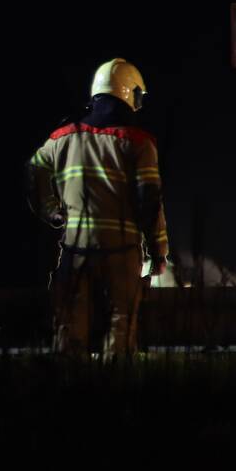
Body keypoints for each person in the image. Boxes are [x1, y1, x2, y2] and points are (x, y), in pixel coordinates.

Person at [27, 58, 169, 359]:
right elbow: (150, 200)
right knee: (121, 326)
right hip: (122, 252)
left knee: (68, 328)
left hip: (74, 250)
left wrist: (50, 210)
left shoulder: (61, 138)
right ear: (129, 94)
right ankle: (115, 384)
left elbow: (34, 171)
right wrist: (158, 250)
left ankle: (69, 385)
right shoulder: (139, 143)